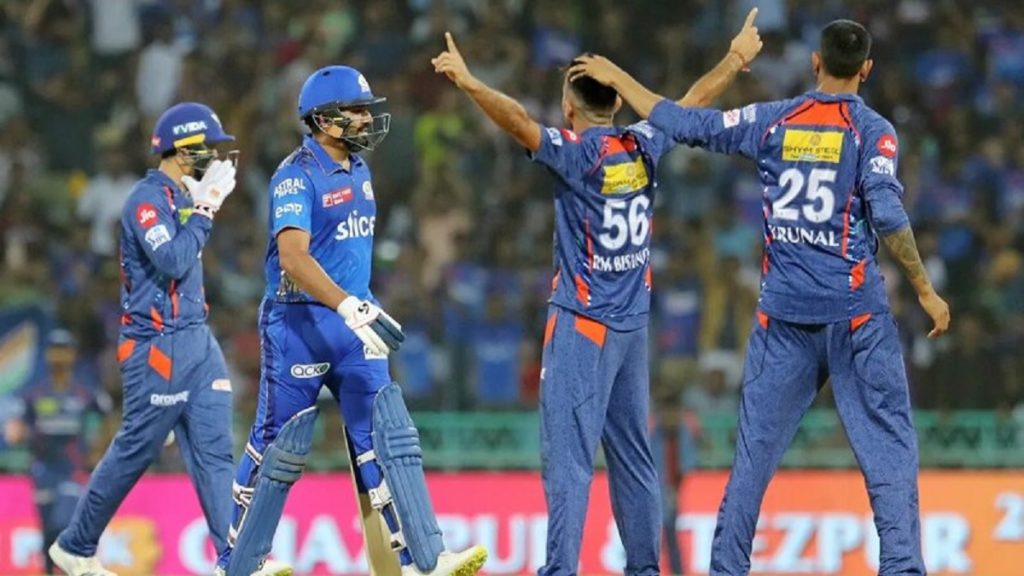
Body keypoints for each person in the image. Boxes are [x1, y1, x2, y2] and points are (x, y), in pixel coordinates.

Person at [568, 18, 951, 574]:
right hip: (857, 321)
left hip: (784, 321)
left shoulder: (773, 120)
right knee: (889, 454)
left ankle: (727, 569)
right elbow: (888, 213)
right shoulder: (874, 131)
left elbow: (684, 122)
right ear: (866, 69)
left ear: (816, 62)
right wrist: (926, 291)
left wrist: (617, 77)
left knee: (752, 461)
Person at [431, 11, 763, 576]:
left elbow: (517, 121)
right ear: (616, 102)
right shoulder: (644, 143)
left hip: (582, 327)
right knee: (633, 458)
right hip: (632, 329)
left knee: (568, 461)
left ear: (569, 107)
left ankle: (560, 570)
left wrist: (468, 81)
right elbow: (692, 103)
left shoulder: (576, 153)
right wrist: (735, 58)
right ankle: (645, 569)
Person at [216, 65, 487, 576]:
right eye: (356, 110)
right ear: (323, 119)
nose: (366, 119)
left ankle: (423, 559)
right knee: (278, 445)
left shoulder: (360, 170)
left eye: (367, 109)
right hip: (298, 327)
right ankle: (237, 564)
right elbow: (292, 257)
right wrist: (345, 304)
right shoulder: (295, 175)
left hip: (355, 323)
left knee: (388, 435)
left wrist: (359, 305)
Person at [47, 102, 264, 576]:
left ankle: (238, 560)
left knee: (215, 452)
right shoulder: (145, 201)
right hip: (156, 344)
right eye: (208, 148)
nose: (216, 158)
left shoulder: (182, 197)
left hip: (198, 339)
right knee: (137, 448)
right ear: (182, 151)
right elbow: (172, 261)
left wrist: (199, 205)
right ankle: (76, 546)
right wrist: (205, 209)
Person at [4, 329, 108, 575]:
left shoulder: (85, 392)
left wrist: (100, 450)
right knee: (49, 529)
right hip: (43, 471)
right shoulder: (34, 394)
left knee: (65, 523)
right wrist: (18, 432)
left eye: (64, 350)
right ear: (47, 355)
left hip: (74, 470)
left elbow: (109, 418)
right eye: (54, 350)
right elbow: (15, 430)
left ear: (73, 354)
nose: (59, 355)